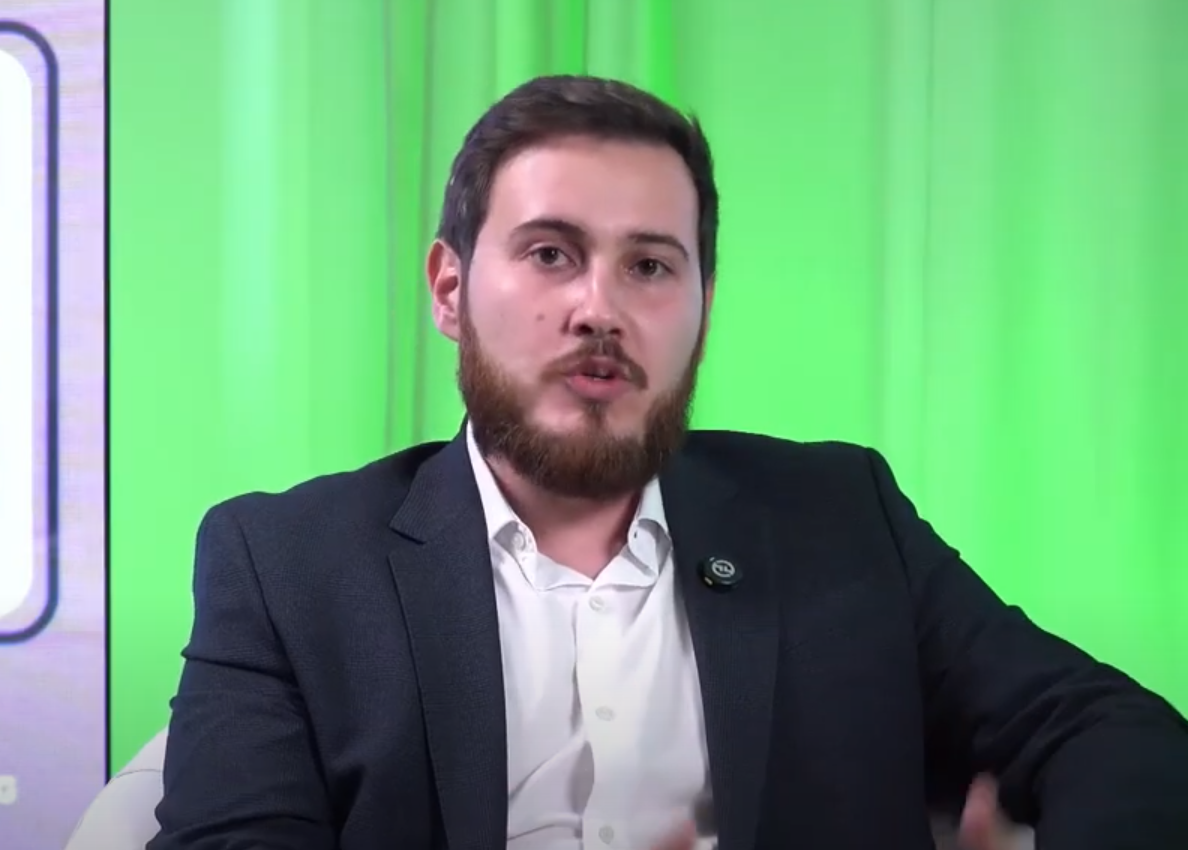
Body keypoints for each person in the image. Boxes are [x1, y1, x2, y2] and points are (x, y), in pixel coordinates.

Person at [148, 75, 1188, 850]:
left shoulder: (840, 515)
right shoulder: (284, 565)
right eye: (550, 253)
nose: (599, 307)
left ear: (702, 309)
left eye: (649, 264)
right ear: (449, 289)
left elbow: (1113, 733)